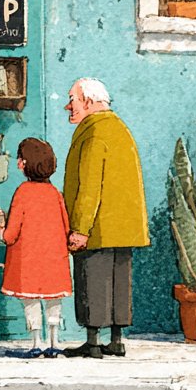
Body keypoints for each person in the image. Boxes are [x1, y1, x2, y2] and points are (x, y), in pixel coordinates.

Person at [61, 78, 149, 359]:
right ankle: (117, 340)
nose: (68, 106)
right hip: (123, 227)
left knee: (93, 282)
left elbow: (89, 185)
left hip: (97, 227)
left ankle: (93, 342)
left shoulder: (94, 132)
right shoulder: (119, 129)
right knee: (119, 283)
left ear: (88, 102)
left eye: (72, 99)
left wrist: (80, 228)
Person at [0, 138, 73, 359]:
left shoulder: (23, 192)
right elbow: (66, 225)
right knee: (54, 300)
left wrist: (0, 234)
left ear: (25, 163)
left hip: (29, 259)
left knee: (31, 300)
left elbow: (11, 233)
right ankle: (55, 342)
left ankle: (37, 342)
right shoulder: (55, 193)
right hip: (54, 257)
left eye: (20, 158)